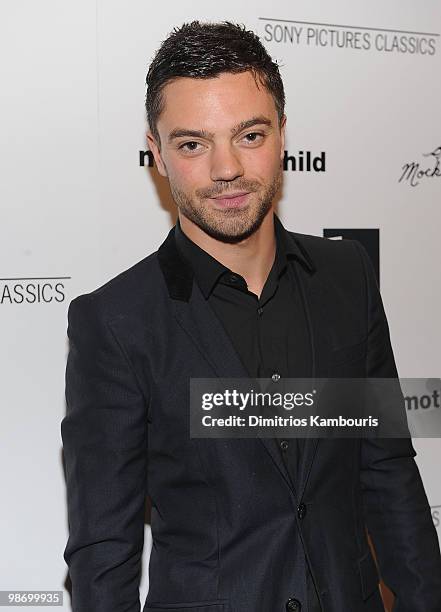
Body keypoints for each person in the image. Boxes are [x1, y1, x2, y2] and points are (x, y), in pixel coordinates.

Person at [61, 20, 441, 612]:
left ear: (283, 134)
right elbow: (103, 550)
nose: (227, 169)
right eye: (192, 144)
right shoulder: (116, 322)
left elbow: (387, 472)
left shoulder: (348, 278)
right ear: (156, 152)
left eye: (250, 135)